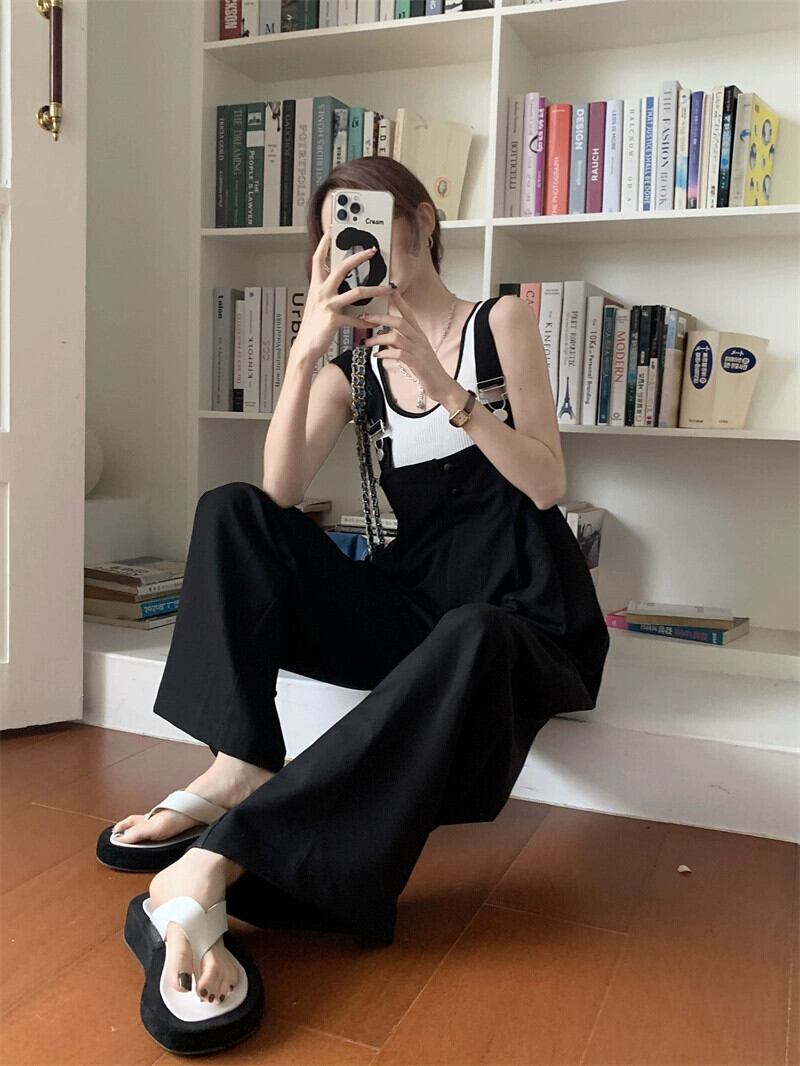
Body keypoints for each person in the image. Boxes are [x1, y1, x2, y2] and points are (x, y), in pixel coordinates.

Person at [99, 155, 610, 1049]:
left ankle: (231, 856)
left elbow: (546, 483)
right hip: (414, 606)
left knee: (473, 632)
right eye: (339, 234)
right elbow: (277, 491)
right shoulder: (357, 368)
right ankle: (240, 761)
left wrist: (447, 390)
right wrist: (307, 349)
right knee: (231, 510)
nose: (360, 246)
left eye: (371, 220)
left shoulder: (501, 323)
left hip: (521, 615)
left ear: (423, 219)